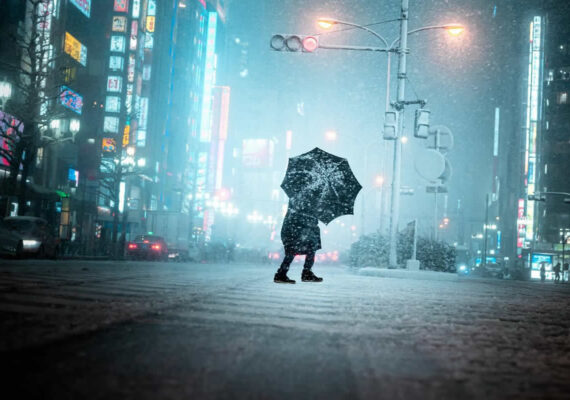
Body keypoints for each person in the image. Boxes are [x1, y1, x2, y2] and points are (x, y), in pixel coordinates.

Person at [274, 198, 323, 284]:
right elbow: (301, 215)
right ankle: (302, 273)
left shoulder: (302, 196)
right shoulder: (303, 198)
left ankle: (302, 273)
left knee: (307, 248)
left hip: (295, 229)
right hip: (295, 229)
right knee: (295, 250)